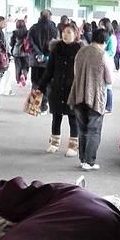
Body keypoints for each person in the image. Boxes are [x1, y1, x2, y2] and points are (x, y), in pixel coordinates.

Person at [68, 28, 113, 171]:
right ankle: (89, 161)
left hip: (78, 94)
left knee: (82, 129)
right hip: (95, 96)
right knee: (94, 130)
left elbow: (75, 72)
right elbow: (109, 79)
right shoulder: (103, 55)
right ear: (105, 41)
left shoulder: (81, 52)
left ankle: (83, 159)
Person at [39, 24, 82, 157]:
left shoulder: (80, 50)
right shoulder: (56, 49)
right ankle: (54, 143)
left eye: (69, 32)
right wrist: (41, 86)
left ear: (75, 34)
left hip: (73, 89)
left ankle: (73, 146)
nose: (65, 34)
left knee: (73, 118)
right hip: (57, 88)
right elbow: (49, 70)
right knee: (56, 117)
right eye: (63, 32)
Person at [28, 10, 58, 113]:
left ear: (40, 16)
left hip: (36, 61)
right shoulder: (54, 29)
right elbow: (55, 45)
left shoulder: (33, 28)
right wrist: (46, 56)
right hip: (48, 62)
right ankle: (44, 107)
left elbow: (30, 42)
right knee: (47, 84)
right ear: (50, 17)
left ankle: (34, 108)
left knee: (35, 83)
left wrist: (38, 53)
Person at [99, 18, 116, 114]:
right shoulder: (102, 35)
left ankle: (109, 107)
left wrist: (101, 53)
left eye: (102, 25)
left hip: (108, 62)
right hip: (101, 61)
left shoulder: (111, 37)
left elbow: (112, 52)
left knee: (108, 85)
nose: (100, 27)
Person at [9, 19, 31, 87]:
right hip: (26, 52)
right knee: (25, 66)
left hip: (16, 52)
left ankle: (19, 81)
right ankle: (24, 75)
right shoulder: (28, 32)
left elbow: (11, 43)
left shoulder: (14, 33)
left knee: (18, 67)